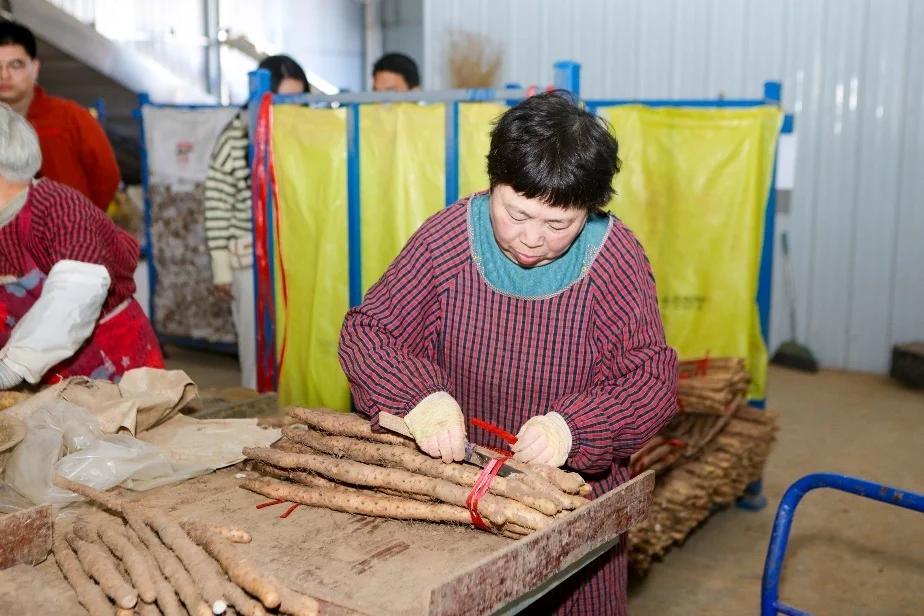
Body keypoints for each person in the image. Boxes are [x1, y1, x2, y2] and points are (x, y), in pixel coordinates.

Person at [339, 91, 678, 614]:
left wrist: (573, 429)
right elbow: (369, 333)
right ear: (493, 183)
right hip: (454, 483)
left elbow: (650, 380)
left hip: (568, 497)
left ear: (589, 210)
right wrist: (418, 400)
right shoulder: (448, 239)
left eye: (558, 224)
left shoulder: (615, 259)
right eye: (515, 214)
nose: (532, 239)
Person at [0, 103, 161, 389]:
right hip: (38, 371)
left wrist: (13, 366)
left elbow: (75, 293)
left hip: (111, 362)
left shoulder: (60, 208)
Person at [204, 55, 309, 390]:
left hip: (291, 258)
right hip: (247, 260)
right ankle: (255, 419)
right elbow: (217, 205)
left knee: (292, 345)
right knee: (255, 346)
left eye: (297, 99)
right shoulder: (235, 138)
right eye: (283, 99)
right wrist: (221, 269)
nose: (290, 107)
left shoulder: (301, 136)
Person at [0, 20, 120, 211]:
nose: (4, 75)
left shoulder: (71, 118)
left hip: (66, 234)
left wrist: (79, 221)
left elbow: (106, 177)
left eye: (16, 65)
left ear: (35, 68)